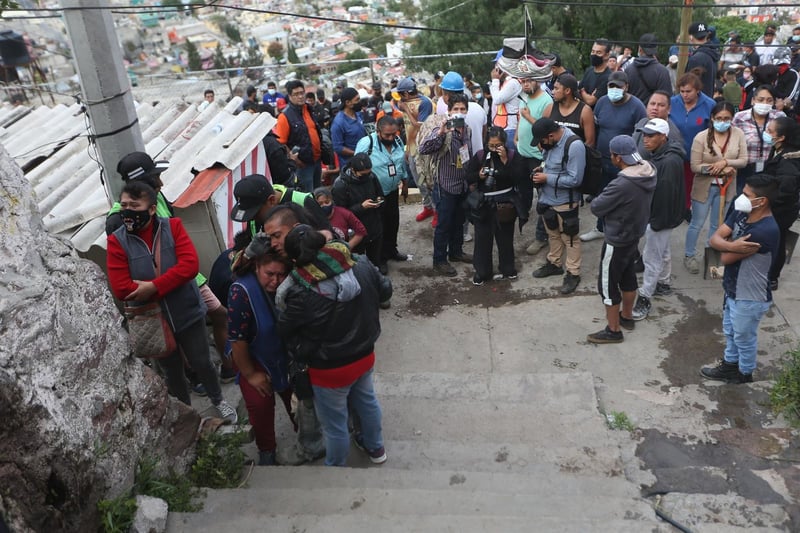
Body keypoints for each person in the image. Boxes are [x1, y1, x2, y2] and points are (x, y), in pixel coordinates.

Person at [106, 181, 238, 422]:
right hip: (152, 319)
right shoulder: (117, 242)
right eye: (124, 205)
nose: (127, 211)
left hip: (187, 310)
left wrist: (152, 286)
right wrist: (169, 282)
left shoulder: (173, 227)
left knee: (202, 361)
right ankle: (187, 415)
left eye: (135, 206)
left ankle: (218, 400)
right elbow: (120, 287)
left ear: (152, 209)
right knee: (172, 371)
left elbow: (189, 266)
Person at [277, 225, 392, 466]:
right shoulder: (359, 263)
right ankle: (376, 448)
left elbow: (285, 329)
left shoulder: (299, 290)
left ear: (295, 259)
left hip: (329, 369)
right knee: (367, 400)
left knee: (335, 425)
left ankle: (336, 468)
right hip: (364, 355)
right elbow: (385, 291)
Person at [699, 173, 780, 384]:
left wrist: (725, 245)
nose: (740, 198)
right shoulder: (742, 212)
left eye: (746, 194)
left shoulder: (764, 231)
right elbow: (714, 238)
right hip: (733, 289)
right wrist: (731, 244)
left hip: (749, 297)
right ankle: (729, 364)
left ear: (761, 201)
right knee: (730, 331)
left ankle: (744, 373)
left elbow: (724, 257)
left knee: (744, 337)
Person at [227, 237, 296, 465]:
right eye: (269, 274)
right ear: (256, 267)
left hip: (285, 354)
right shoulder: (241, 292)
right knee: (260, 403)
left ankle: (306, 435)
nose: (276, 281)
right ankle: (267, 450)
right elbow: (237, 340)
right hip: (254, 356)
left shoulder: (292, 285)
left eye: (281, 275)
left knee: (298, 398)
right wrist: (250, 374)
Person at [587, 136, 656, 343]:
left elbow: (596, 207)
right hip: (634, 234)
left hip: (617, 238)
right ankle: (626, 317)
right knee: (628, 278)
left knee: (607, 285)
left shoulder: (622, 183)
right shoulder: (649, 170)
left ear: (617, 157)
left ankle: (613, 330)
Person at [580, 70, 646, 242]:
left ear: (626, 87)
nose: (614, 89)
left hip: (624, 164)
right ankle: (600, 228)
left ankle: (621, 233)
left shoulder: (637, 106)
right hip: (602, 159)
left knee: (623, 199)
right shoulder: (602, 102)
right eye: (611, 86)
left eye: (618, 86)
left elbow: (641, 136)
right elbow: (596, 126)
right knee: (603, 195)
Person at [631, 119, 686, 320]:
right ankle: (663, 283)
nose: (645, 139)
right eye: (644, 134)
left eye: (650, 135)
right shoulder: (667, 154)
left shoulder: (668, 163)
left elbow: (664, 196)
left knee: (651, 257)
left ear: (663, 137)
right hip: (665, 216)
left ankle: (645, 297)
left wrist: (656, 222)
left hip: (661, 216)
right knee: (663, 250)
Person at [683, 102, 747, 275]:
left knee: (717, 224)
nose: (722, 122)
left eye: (726, 118)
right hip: (704, 187)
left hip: (727, 187)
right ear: (712, 118)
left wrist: (726, 162)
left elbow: (743, 160)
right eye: (719, 118)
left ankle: (710, 254)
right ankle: (689, 255)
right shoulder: (701, 137)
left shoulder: (738, 134)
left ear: (732, 119)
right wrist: (716, 169)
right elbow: (695, 166)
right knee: (697, 223)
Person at [418, 93, 473, 277]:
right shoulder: (442, 130)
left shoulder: (468, 130)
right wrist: (441, 132)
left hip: (462, 184)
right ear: (449, 112)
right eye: (455, 109)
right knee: (443, 225)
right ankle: (439, 260)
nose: (459, 112)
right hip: (445, 186)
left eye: (462, 109)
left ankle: (456, 252)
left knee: (459, 221)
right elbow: (424, 148)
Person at [530, 118, 586, 295]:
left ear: (551, 135)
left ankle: (573, 273)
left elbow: (576, 179)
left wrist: (547, 178)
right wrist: (541, 169)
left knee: (569, 238)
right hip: (548, 199)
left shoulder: (574, 145)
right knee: (553, 234)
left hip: (565, 201)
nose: (541, 145)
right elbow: (549, 163)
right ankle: (554, 263)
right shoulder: (551, 144)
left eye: (542, 141)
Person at [466, 127, 525, 285]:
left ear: (504, 144)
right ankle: (482, 272)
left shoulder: (512, 156)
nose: (494, 149)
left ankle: (508, 269)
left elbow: (519, 178)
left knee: (505, 239)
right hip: (483, 204)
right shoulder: (479, 156)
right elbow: (468, 176)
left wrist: (505, 161)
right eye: (491, 146)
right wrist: (479, 176)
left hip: (505, 204)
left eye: (498, 145)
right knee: (482, 239)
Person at [355, 116, 409, 271]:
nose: (391, 138)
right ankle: (380, 259)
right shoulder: (367, 144)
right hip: (374, 193)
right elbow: (357, 165)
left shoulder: (398, 141)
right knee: (379, 227)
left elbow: (400, 164)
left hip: (392, 191)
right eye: (387, 135)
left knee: (393, 222)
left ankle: (391, 250)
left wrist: (404, 182)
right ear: (378, 132)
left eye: (394, 133)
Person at [669, 72, 717, 212]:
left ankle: (688, 209)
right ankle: (675, 208)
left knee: (692, 184)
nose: (685, 95)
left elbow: (712, 130)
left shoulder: (709, 104)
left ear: (697, 90)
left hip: (696, 154)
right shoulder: (672, 102)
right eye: (682, 91)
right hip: (675, 152)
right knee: (674, 183)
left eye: (688, 91)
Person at [515, 76, 553, 251]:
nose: (525, 84)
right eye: (523, 81)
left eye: (529, 80)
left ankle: (541, 236)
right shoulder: (525, 97)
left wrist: (529, 117)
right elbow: (520, 119)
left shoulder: (546, 100)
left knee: (544, 196)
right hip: (522, 152)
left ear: (537, 81)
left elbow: (545, 129)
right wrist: (516, 134)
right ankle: (523, 215)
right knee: (523, 189)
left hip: (537, 156)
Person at [763, 117, 800, 290]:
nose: (766, 134)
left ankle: (772, 277)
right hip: (776, 207)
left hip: (782, 210)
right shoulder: (777, 150)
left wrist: (765, 201)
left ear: (782, 137)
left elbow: (785, 191)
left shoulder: (788, 160)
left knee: (777, 243)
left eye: (770, 132)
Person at [332, 153, 385, 271]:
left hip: (374, 225)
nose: (366, 176)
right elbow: (341, 214)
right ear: (353, 170)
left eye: (368, 173)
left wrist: (379, 202)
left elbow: (380, 194)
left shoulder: (371, 177)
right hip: (355, 232)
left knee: (375, 260)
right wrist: (362, 207)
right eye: (363, 175)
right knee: (358, 264)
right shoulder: (341, 185)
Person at [230, 174, 329, 236]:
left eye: (255, 214)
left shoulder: (303, 201)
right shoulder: (256, 212)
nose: (252, 219)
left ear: (271, 200)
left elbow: (329, 237)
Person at [732, 85, 785, 195]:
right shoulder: (740, 117)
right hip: (745, 169)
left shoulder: (779, 117)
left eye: (769, 100)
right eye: (761, 100)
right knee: (741, 202)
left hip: (770, 169)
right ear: (753, 100)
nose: (764, 103)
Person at [395, 77, 435, 223]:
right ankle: (428, 206)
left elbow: (420, 126)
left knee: (429, 180)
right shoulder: (405, 103)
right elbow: (408, 127)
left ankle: (436, 209)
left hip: (425, 149)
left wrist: (405, 109)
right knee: (418, 181)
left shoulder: (425, 103)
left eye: (400, 94)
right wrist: (407, 149)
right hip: (412, 148)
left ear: (406, 93)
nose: (400, 98)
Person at [273, 80, 323, 193]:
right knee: (307, 196)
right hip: (302, 166)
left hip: (316, 161)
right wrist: (296, 161)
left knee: (318, 193)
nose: (300, 96)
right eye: (296, 94)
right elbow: (281, 143)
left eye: (302, 93)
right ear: (290, 96)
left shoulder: (309, 109)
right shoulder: (284, 117)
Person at [545, 74, 595, 147]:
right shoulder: (550, 108)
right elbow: (542, 134)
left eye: (556, 89)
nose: (553, 92)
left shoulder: (584, 111)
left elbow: (590, 142)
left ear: (567, 91)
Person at [626, 33, 673, 105]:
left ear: (640, 49)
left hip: (633, 113)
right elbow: (666, 98)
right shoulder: (662, 71)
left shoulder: (629, 69)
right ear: (656, 49)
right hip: (654, 113)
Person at [331, 87, 366, 169]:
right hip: (350, 165)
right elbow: (338, 147)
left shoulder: (358, 114)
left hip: (363, 160)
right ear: (348, 103)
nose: (359, 102)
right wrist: (356, 153)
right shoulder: (338, 123)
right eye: (357, 100)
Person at [489, 62, 522, 149]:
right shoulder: (506, 82)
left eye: (498, 66)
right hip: (504, 128)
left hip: (511, 129)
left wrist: (495, 80)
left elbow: (497, 100)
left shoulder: (513, 83)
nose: (496, 70)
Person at [686, 22, 720, 98]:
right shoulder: (712, 53)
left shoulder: (696, 58)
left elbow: (690, 86)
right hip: (708, 100)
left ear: (691, 37)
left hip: (696, 102)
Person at [580, 38, 612, 108]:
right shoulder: (589, 70)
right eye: (593, 51)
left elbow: (590, 101)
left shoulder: (608, 77)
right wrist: (585, 94)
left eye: (598, 52)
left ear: (607, 55)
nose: (594, 55)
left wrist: (582, 91)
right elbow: (577, 90)